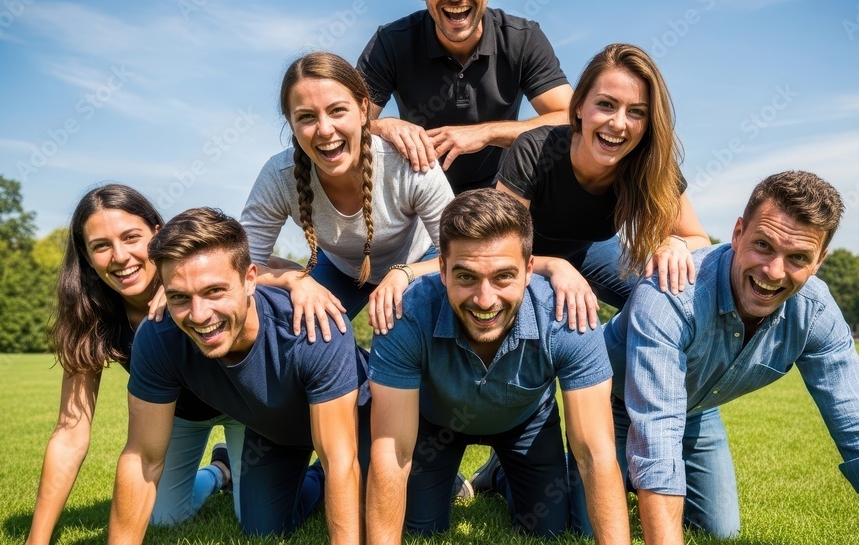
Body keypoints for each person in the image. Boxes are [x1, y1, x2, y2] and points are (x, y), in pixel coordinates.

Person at [602, 171, 859, 543]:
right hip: (610, 405)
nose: (773, 272)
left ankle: (630, 479)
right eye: (763, 245)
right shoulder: (671, 292)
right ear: (738, 234)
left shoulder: (816, 313)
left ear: (819, 260)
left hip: (694, 409)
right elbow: (657, 434)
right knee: (586, 522)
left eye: (798, 257)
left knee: (720, 531)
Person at [366, 189, 630, 543]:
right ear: (442, 270)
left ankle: (497, 475)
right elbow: (393, 453)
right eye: (466, 277)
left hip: (525, 423)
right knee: (420, 530)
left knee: (548, 530)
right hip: (436, 425)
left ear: (529, 270)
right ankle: (448, 479)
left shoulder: (567, 317)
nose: (485, 300)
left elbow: (595, 454)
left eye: (503, 276)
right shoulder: (405, 314)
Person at [108, 207, 362, 542]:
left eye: (214, 291)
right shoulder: (159, 336)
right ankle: (306, 478)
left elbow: (340, 460)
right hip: (278, 433)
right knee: (263, 528)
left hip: (359, 425)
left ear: (250, 279)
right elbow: (142, 458)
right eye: (179, 297)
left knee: (408, 508)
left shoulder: (312, 329)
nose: (199, 315)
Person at [26, 185, 244, 545]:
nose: (120, 256)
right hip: (180, 416)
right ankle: (220, 470)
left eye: (131, 237)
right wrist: (37, 540)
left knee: (257, 519)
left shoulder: (194, 276)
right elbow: (70, 432)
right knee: (163, 517)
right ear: (87, 256)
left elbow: (250, 274)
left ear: (157, 234)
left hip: (243, 409)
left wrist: (293, 279)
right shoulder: (92, 318)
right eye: (101, 246)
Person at [495, 43, 710, 332]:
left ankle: (620, 351)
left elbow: (698, 239)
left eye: (636, 112)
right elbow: (499, 253)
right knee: (553, 311)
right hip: (522, 254)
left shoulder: (652, 164)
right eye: (606, 104)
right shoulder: (534, 150)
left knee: (665, 291)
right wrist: (554, 266)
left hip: (588, 249)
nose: (618, 124)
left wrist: (675, 244)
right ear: (579, 107)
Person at [241, 51, 454, 340]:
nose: (325, 129)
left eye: (337, 110)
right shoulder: (279, 176)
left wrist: (405, 273)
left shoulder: (407, 162)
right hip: (341, 267)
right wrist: (293, 279)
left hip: (420, 260)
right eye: (306, 117)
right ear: (291, 124)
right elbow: (240, 266)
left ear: (364, 110)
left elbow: (461, 258)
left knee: (403, 336)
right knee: (299, 329)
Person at [357, 0, 572, 193]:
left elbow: (569, 118)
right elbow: (348, 121)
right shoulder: (390, 42)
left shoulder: (523, 38)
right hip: (418, 189)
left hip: (501, 191)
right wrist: (384, 126)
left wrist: (486, 133)